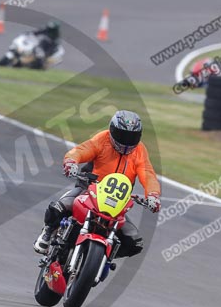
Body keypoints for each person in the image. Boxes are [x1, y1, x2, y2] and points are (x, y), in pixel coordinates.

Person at [33, 110, 162, 256]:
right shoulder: (103, 139)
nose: (126, 140)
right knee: (60, 206)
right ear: (112, 130)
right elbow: (82, 150)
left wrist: (153, 195)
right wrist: (71, 161)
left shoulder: (139, 150)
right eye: (122, 135)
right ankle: (48, 231)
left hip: (117, 201)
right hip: (89, 189)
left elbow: (148, 173)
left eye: (132, 137)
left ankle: (104, 257)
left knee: (135, 243)